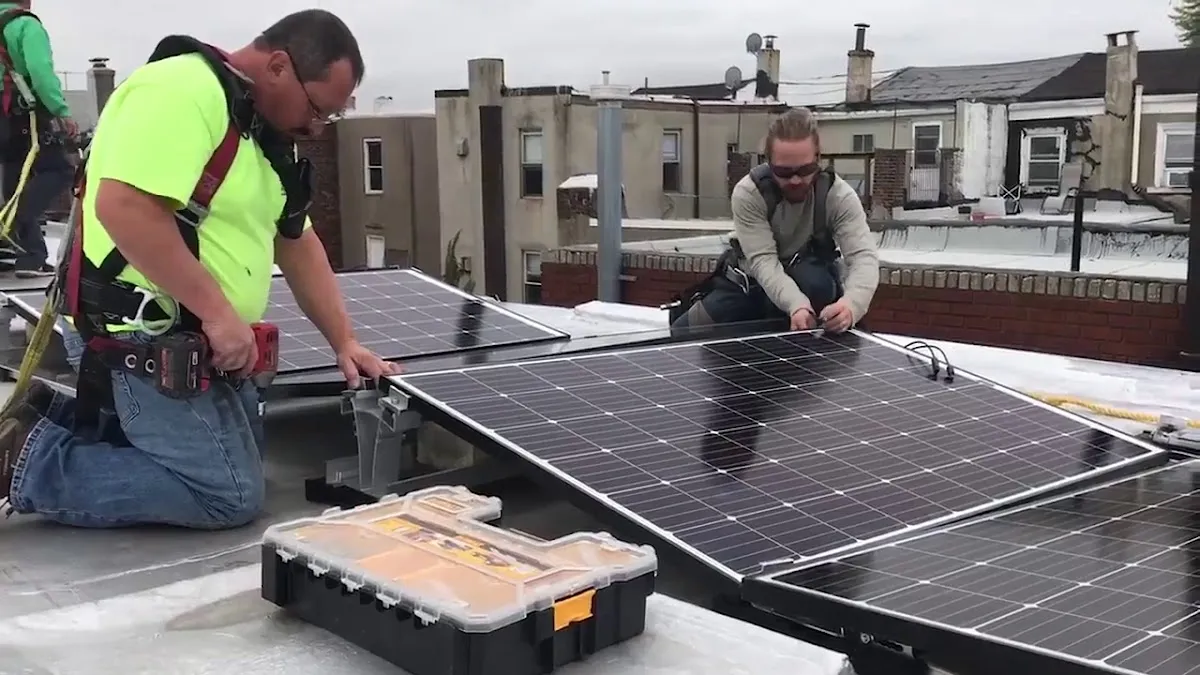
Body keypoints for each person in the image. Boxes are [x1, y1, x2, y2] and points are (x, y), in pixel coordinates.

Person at [0, 9, 401, 529]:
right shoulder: (182, 89)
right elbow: (125, 208)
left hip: (196, 342)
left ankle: (45, 417)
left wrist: (344, 342)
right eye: (317, 109)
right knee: (227, 492)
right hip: (140, 335)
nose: (316, 127)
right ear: (278, 66)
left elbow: (297, 243)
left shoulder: (259, 131)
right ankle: (26, 463)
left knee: (242, 460)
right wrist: (218, 313)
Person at [670, 107, 879, 335]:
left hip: (810, 284)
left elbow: (863, 256)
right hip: (751, 283)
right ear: (768, 163)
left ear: (818, 159)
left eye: (805, 170)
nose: (796, 180)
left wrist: (851, 306)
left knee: (815, 282)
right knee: (684, 332)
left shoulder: (838, 197)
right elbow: (764, 262)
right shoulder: (750, 194)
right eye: (784, 172)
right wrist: (796, 305)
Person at [0, 0, 76, 278]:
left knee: (15, 180)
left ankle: (28, 256)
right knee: (59, 170)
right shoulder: (25, 25)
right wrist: (61, 111)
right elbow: (40, 72)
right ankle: (11, 230)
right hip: (20, 115)